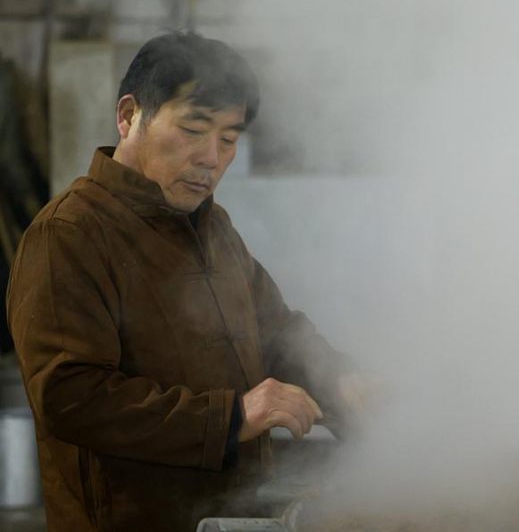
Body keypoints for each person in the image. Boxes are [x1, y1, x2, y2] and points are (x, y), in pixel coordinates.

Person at [6, 32, 370, 531]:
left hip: (226, 514)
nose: (211, 158)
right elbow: (72, 397)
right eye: (194, 129)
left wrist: (340, 382)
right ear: (129, 115)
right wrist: (233, 418)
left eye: (228, 139)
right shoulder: (68, 236)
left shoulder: (210, 226)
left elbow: (277, 332)